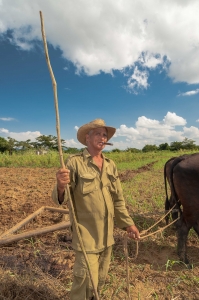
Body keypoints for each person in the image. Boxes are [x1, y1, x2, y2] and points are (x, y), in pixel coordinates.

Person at [51, 119, 140, 300]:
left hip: (107, 236)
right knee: (83, 282)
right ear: (87, 137)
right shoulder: (74, 163)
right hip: (87, 236)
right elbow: (63, 197)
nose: (102, 137)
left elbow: (118, 199)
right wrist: (60, 186)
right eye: (98, 133)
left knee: (100, 280)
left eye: (105, 134)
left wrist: (128, 224)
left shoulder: (110, 165)